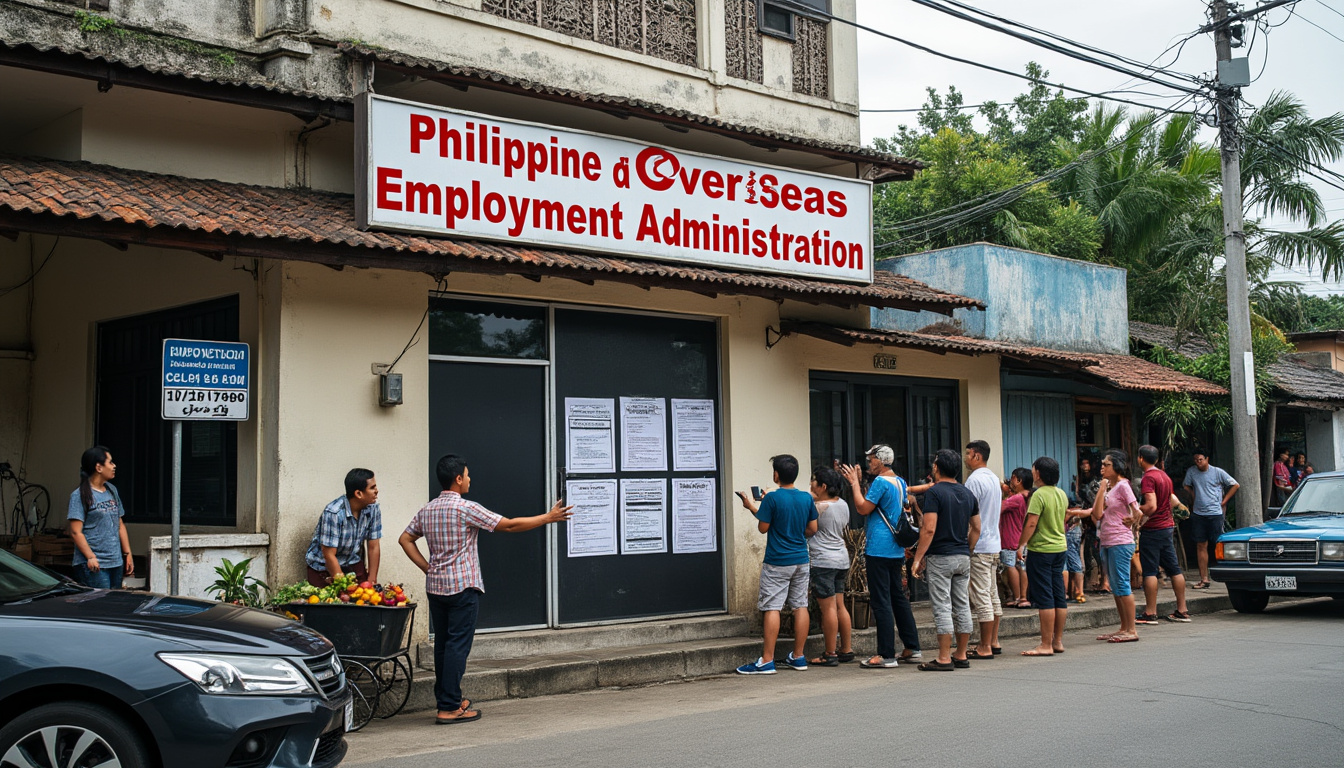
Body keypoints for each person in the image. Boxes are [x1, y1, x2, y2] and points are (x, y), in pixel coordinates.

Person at [399, 454, 572, 723]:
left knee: (444, 646)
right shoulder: (466, 508)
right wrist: (547, 517)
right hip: (462, 588)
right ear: (457, 479)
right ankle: (449, 707)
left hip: (436, 588)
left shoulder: (428, 510)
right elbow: (510, 525)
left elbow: (405, 539)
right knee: (458, 647)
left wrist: (427, 568)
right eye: (467, 475)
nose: (470, 479)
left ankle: (449, 698)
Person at [841, 445, 923, 668]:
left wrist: (854, 483)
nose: (869, 463)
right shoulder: (900, 481)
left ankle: (886, 654)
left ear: (880, 460)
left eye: (871, 460)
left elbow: (862, 508)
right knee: (897, 596)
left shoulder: (880, 482)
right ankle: (912, 646)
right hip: (895, 548)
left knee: (881, 600)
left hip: (879, 546)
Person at [735, 454, 818, 674]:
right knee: (800, 605)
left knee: (772, 607)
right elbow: (812, 529)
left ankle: (767, 660)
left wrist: (752, 507)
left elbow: (763, 527)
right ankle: (799, 657)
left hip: (778, 561)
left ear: (776, 475)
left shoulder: (772, 498)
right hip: (801, 559)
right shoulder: (806, 498)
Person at [910, 449, 980, 671]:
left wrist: (917, 558)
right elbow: (977, 527)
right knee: (962, 606)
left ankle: (943, 657)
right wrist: (966, 548)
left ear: (937, 468)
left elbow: (928, 529)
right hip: (962, 556)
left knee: (942, 606)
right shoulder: (968, 493)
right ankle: (960, 654)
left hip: (941, 556)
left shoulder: (935, 493)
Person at [1017, 456, 1068, 656]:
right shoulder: (1061, 493)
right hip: (1059, 547)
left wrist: (1021, 544)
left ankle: (1045, 644)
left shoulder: (1038, 495)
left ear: (1037, 474)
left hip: (1041, 550)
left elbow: (1031, 523)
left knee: (1045, 597)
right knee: (1058, 595)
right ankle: (1057, 641)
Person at [805, 466, 854, 666]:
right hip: (841, 559)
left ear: (823, 486)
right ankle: (846, 649)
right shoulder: (842, 504)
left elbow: (807, 529)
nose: (810, 485)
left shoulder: (818, 508)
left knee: (828, 609)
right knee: (840, 605)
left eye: (813, 481)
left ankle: (830, 652)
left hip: (823, 560)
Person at [1136, 445, 1191, 624]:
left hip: (1153, 529)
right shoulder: (1164, 476)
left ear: (1141, 459)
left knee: (1150, 571)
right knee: (1174, 569)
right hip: (1167, 527)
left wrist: (1136, 509)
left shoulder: (1149, 478)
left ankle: (1150, 613)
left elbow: (1151, 506)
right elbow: (1171, 500)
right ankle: (1182, 610)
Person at [67, 446, 133, 589]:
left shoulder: (112, 490)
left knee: (113, 604)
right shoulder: (79, 495)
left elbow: (120, 523)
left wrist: (127, 554)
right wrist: (90, 557)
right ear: (99, 467)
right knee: (100, 607)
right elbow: (75, 532)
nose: (114, 466)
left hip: (115, 562)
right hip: (94, 565)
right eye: (110, 462)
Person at [305, 468, 383, 588]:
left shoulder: (373, 509)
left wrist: (372, 581)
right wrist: (343, 586)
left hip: (352, 563)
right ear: (358, 494)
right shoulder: (334, 512)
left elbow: (373, 546)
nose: (376, 491)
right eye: (372, 488)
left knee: (365, 600)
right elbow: (329, 554)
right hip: (323, 567)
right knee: (336, 603)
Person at [1093, 450, 1141, 643]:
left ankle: (1132, 629)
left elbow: (1137, 509)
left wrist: (1134, 520)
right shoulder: (1110, 488)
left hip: (1120, 541)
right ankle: (1123, 627)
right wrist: (1102, 488)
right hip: (1108, 540)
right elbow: (1097, 514)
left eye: (1107, 465)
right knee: (1115, 585)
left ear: (1117, 467)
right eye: (1102, 464)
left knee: (1122, 584)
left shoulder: (1123, 485)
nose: (1102, 467)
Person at [961, 440, 1003, 658]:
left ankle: (985, 646)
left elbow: (969, 516)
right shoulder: (993, 478)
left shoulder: (974, 481)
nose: (966, 458)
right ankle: (993, 641)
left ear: (977, 456)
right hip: (993, 543)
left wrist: (968, 543)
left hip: (979, 544)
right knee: (991, 594)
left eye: (968, 454)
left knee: (981, 596)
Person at [1182, 451, 1240, 589]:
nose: (1198, 462)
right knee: (1201, 544)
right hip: (1198, 512)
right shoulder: (1192, 472)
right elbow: (1186, 485)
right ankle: (1204, 578)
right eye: (1196, 460)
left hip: (1215, 513)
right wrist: (1193, 495)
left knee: (1219, 543)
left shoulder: (1217, 472)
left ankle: (1227, 575)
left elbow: (1235, 485)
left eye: (1201, 459)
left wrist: (1224, 501)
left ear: (1207, 459)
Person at [999, 468, 1032, 609]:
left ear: (1019, 481)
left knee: (1010, 566)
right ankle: (1022, 597)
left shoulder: (1016, 498)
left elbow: (999, 508)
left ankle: (1017, 596)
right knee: (1021, 567)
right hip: (1019, 537)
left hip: (1009, 537)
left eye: (1012, 478)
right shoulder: (1025, 497)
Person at [1077, 457, 1105, 593]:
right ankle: (1098, 580)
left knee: (1099, 552)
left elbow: (1096, 506)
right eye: (1082, 464)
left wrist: (1098, 523)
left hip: (1096, 521)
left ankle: (1104, 581)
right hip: (1088, 521)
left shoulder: (1096, 483)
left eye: (1086, 463)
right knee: (1091, 551)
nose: (1084, 466)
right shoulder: (1082, 480)